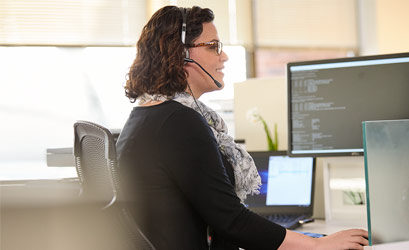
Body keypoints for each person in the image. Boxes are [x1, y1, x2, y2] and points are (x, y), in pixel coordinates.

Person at [117, 5, 368, 250]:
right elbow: (232, 221)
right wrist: (317, 244)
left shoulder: (146, 115)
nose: (223, 56)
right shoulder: (179, 122)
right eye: (213, 46)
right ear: (179, 53)